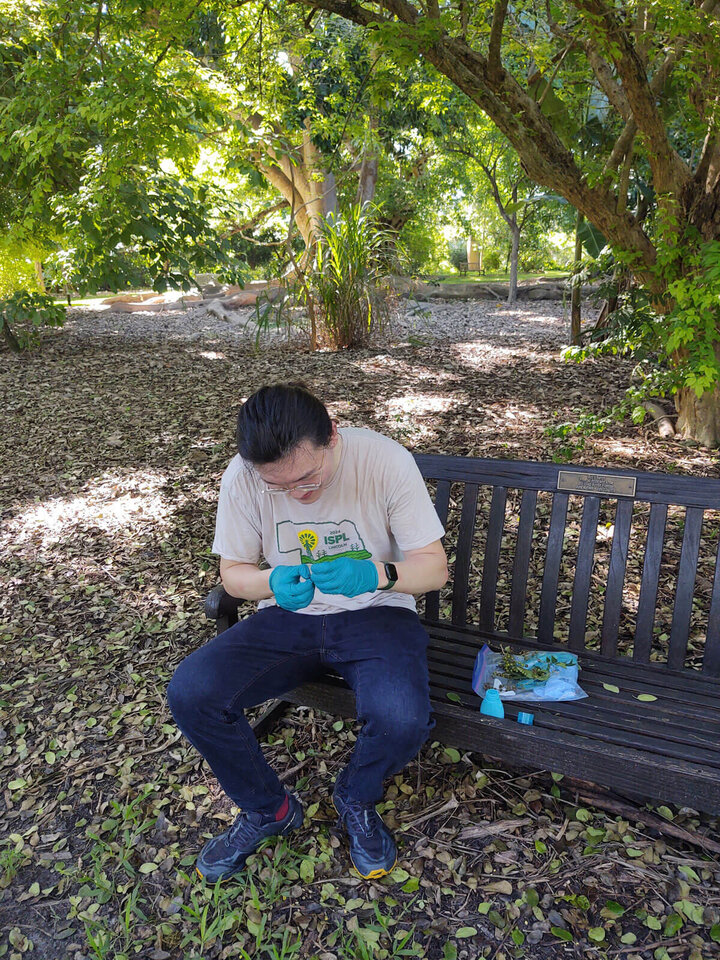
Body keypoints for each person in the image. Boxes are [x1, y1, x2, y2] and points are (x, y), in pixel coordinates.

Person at [167, 382, 448, 883]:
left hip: (377, 611)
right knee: (192, 692)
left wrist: (379, 574)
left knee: (402, 718)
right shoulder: (244, 476)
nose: (297, 493)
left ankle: (356, 797)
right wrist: (267, 582)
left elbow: (434, 569)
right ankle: (268, 811)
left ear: (333, 436)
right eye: (279, 486)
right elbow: (233, 571)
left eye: (308, 477)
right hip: (289, 615)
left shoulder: (384, 461)